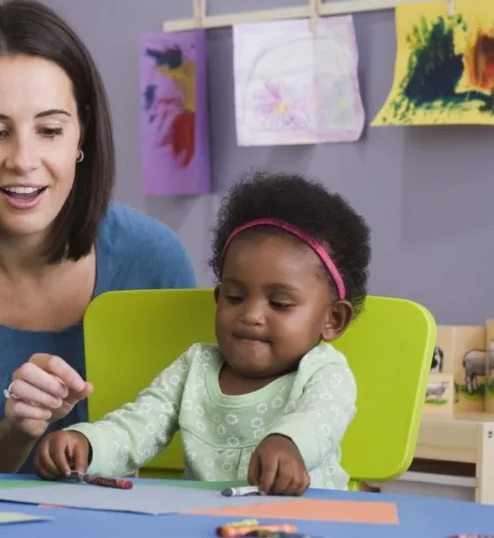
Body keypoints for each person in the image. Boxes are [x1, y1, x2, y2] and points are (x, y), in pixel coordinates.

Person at [0, 0, 196, 473]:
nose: (24, 160)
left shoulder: (154, 261)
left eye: (50, 130)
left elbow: (193, 455)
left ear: (82, 134)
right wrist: (18, 430)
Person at [33, 172, 371, 495]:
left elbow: (318, 419)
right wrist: (87, 445)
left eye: (279, 303)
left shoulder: (325, 372)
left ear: (333, 319)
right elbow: (138, 426)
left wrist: (289, 443)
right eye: (235, 297)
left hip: (306, 523)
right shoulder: (195, 367)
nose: (251, 315)